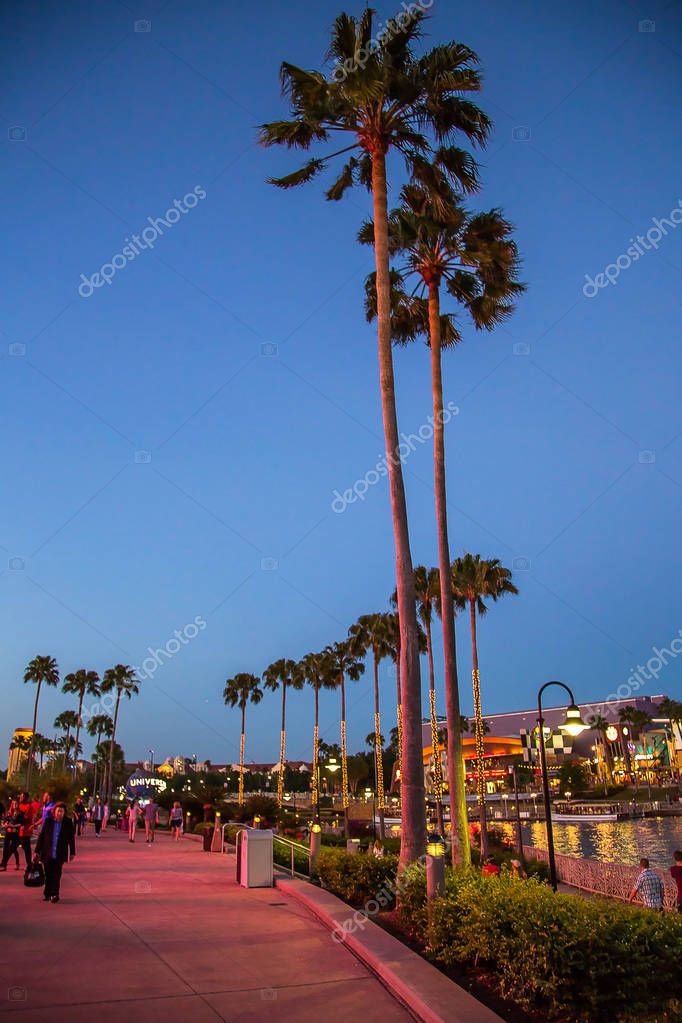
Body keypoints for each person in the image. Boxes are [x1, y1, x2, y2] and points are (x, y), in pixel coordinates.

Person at [35, 802, 76, 903]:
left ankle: (55, 894)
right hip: (47, 851)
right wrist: (37, 851)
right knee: (48, 873)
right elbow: (42, 836)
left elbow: (71, 838)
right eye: (58, 811)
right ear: (54, 812)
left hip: (60, 852)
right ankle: (47, 893)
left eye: (62, 811)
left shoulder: (67, 822)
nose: (60, 813)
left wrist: (72, 852)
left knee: (57, 874)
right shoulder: (49, 821)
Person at [0, 800, 22, 871]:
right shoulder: (9, 813)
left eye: (16, 804)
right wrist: (5, 825)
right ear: (11, 805)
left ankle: (6, 864)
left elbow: (20, 824)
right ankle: (4, 864)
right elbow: (6, 821)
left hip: (15, 833)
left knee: (12, 849)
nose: (15, 805)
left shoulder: (20, 814)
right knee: (6, 848)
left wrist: (12, 826)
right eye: (13, 804)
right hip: (8, 833)